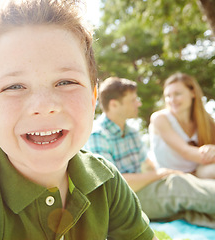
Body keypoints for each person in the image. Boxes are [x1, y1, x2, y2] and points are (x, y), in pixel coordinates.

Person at [0, 1, 157, 239]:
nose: (44, 106)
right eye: (14, 86)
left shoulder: (106, 180)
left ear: (92, 99)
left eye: (66, 82)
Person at [84, 76, 215, 228]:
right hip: (121, 202)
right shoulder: (98, 135)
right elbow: (113, 186)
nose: (138, 103)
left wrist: (160, 174)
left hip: (141, 192)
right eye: (133, 100)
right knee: (177, 186)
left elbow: (147, 166)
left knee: (189, 209)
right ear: (114, 105)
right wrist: (160, 174)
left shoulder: (131, 133)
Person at [149, 72, 215, 179]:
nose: (172, 100)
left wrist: (211, 150)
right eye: (168, 96)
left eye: (177, 94)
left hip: (197, 173)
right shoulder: (160, 119)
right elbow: (186, 152)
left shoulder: (206, 122)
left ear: (192, 93)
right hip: (172, 177)